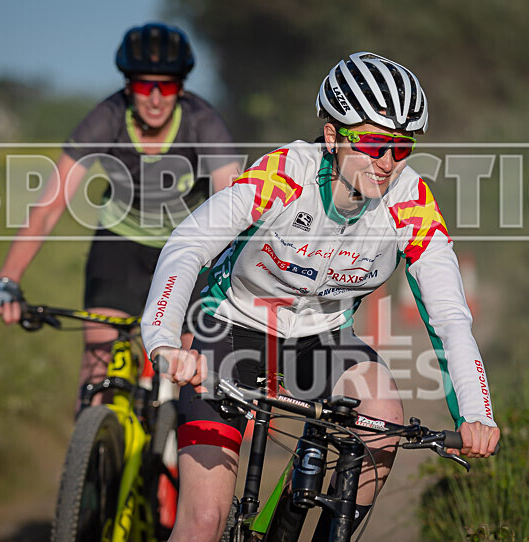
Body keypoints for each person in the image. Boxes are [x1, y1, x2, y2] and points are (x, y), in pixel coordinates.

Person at [142, 52, 500, 541]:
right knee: (204, 521)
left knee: (383, 415)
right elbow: (188, 243)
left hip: (322, 337)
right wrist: (163, 341)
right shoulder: (287, 175)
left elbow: (450, 318)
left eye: (401, 147)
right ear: (332, 135)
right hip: (229, 326)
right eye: (373, 143)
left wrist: (476, 412)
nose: (387, 162)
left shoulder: (410, 204)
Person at [0, 23, 241, 406]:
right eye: (143, 85)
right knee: (97, 371)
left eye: (166, 86)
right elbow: (50, 205)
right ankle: (92, 448)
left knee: (194, 378)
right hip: (120, 246)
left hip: (189, 251)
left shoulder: (202, 122)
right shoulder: (107, 117)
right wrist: (8, 279)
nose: (155, 99)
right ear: (127, 86)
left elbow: (232, 204)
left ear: (181, 88)